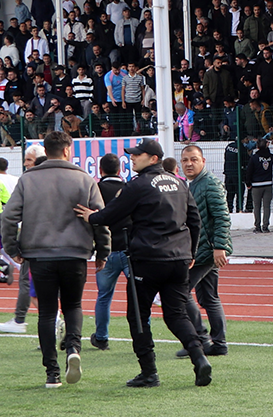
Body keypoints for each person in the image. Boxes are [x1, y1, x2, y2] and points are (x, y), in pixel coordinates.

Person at [77, 138, 213, 389]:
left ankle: (149, 372)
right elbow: (195, 220)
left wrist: (91, 216)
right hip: (179, 259)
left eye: (137, 155)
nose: (132, 158)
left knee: (138, 316)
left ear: (153, 158)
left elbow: (111, 214)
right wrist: (191, 251)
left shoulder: (138, 184)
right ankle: (199, 357)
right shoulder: (180, 183)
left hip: (148, 259)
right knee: (176, 314)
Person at [2, 132, 109, 388]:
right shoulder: (84, 179)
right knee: (73, 305)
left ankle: (52, 372)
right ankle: (73, 347)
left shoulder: (28, 180)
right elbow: (100, 218)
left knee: (47, 312)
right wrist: (103, 251)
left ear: (45, 151)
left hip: (39, 254)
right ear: (67, 150)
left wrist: (12, 247)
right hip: (75, 252)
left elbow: (7, 217)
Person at [175, 145, 231, 358]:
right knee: (209, 296)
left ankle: (199, 339)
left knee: (180, 290)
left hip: (206, 251)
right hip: (203, 250)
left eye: (193, 159)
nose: (189, 163)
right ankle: (218, 343)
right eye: (185, 160)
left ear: (203, 161)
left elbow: (222, 216)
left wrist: (219, 247)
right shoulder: (194, 184)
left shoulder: (209, 184)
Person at [0, 145, 47, 335]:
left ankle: (53, 320)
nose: (25, 163)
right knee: (29, 279)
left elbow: (10, 212)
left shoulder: (28, 180)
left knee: (29, 281)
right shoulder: (19, 179)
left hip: (33, 236)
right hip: (39, 234)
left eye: (28, 160)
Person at [90, 154, 129, 350]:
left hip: (106, 251)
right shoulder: (129, 189)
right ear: (120, 169)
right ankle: (142, 332)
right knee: (139, 295)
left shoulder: (96, 189)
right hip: (129, 249)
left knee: (104, 296)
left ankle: (102, 337)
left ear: (100, 170)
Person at [247, 138, 273, 233]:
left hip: (256, 184)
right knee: (267, 206)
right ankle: (266, 226)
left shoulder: (254, 158)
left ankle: (257, 226)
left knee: (257, 206)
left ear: (257, 146)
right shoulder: (271, 157)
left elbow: (249, 171)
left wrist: (248, 183)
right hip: (268, 184)